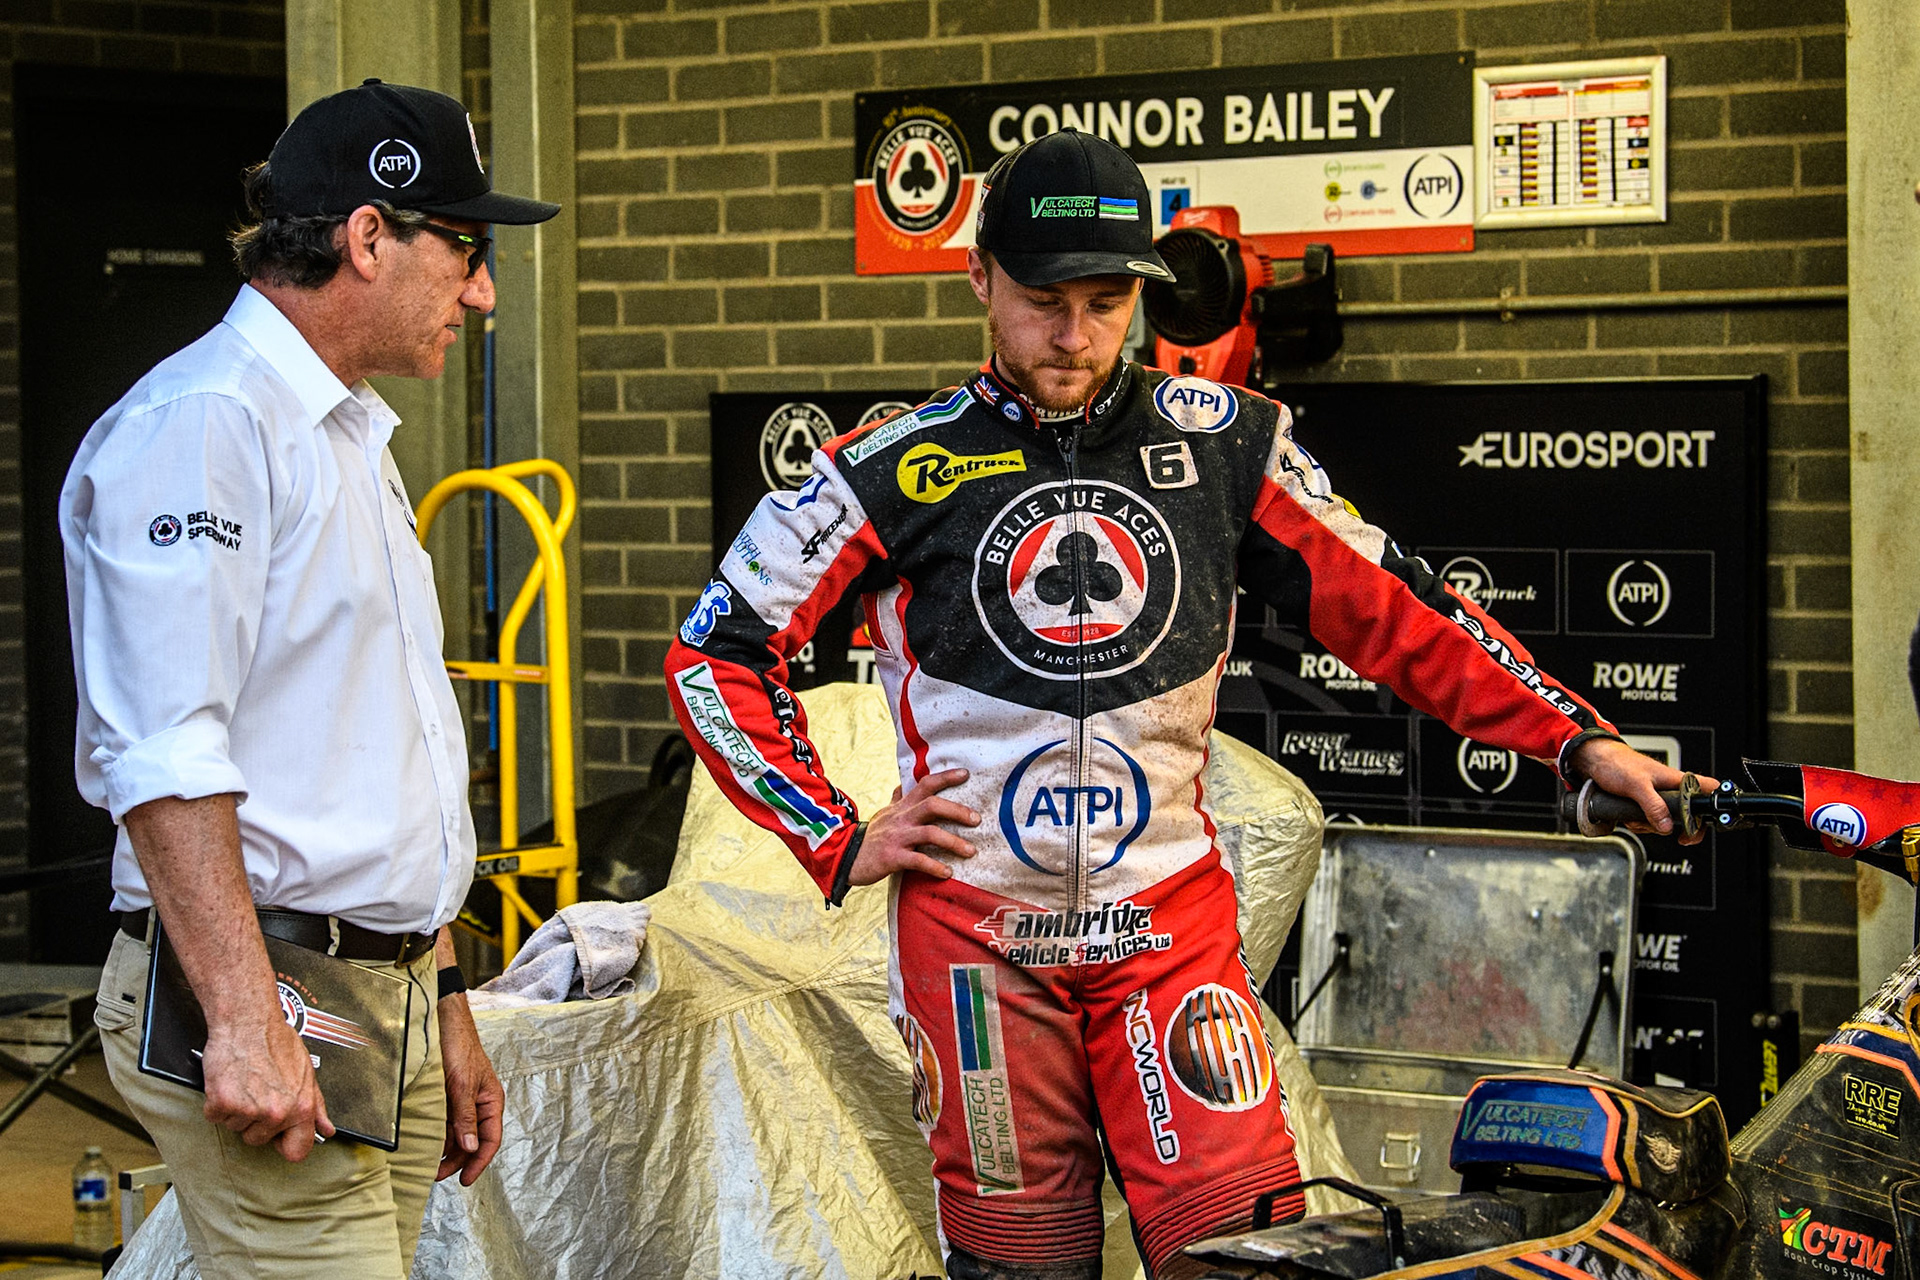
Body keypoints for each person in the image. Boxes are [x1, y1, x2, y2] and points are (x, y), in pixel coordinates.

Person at [664, 128, 1691, 1280]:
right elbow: (719, 651)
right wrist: (834, 830)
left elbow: (1402, 609)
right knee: (1020, 1271)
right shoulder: (887, 465)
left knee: (1251, 1258)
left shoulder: (1229, 444)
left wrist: (1575, 737)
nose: (1075, 336)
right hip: (977, 957)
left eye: (1107, 303)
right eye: (1045, 300)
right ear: (977, 280)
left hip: (1168, 939)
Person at [60, 80, 557, 1278]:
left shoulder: (350, 434)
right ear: (369, 235)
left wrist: (443, 1005)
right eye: (467, 248)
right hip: (270, 993)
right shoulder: (205, 426)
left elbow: (391, 760)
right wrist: (242, 1016)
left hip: (371, 999)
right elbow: (166, 754)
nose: (483, 291)